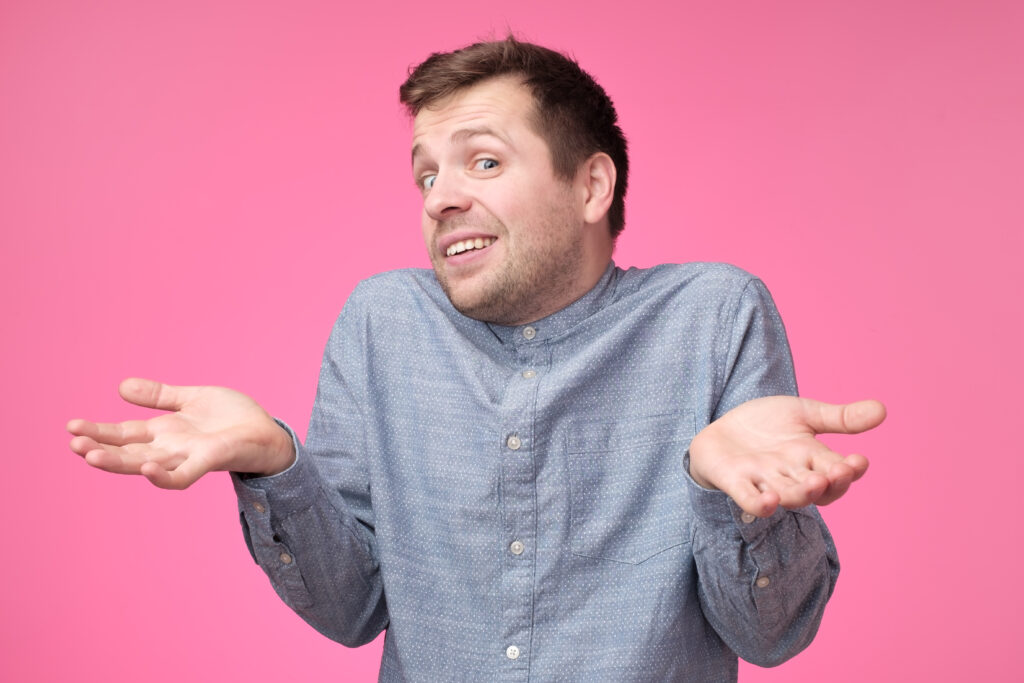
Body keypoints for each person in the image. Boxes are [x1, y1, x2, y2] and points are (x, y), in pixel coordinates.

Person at [68, 37, 885, 681]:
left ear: (591, 186)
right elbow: (353, 609)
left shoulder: (714, 314)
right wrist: (276, 463)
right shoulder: (381, 322)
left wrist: (728, 497)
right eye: (426, 173)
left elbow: (772, 634)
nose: (439, 196)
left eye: (483, 161)